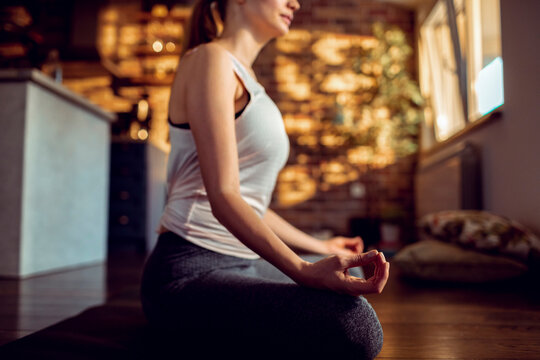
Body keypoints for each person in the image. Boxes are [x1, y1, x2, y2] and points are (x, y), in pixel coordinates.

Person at [140, 0, 390, 358]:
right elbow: (224, 195)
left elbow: (250, 203)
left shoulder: (248, 79)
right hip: (186, 272)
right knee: (355, 327)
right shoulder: (210, 60)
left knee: (348, 308)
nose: (295, 2)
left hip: (240, 261)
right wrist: (303, 270)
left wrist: (322, 248)